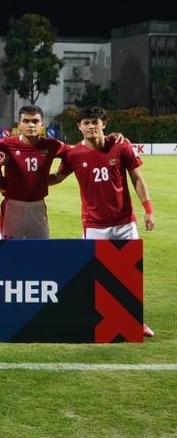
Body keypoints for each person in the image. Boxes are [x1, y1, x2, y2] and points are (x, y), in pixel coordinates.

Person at [48, 106, 156, 337]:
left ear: (104, 124)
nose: (91, 126)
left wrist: (148, 210)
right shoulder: (73, 154)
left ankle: (135, 321)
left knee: (130, 276)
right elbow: (57, 177)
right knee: (93, 275)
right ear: (79, 127)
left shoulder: (121, 146)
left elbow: (137, 178)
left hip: (125, 221)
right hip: (94, 224)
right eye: (86, 123)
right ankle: (92, 319)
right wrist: (29, 181)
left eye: (95, 122)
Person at [0, 105, 69, 239]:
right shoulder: (5, 144)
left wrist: (59, 176)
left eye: (35, 121)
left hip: (38, 207)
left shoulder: (52, 145)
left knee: (41, 252)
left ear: (42, 124)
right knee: (10, 252)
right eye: (26, 121)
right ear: (19, 125)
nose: (31, 125)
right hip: (12, 207)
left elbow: (76, 153)